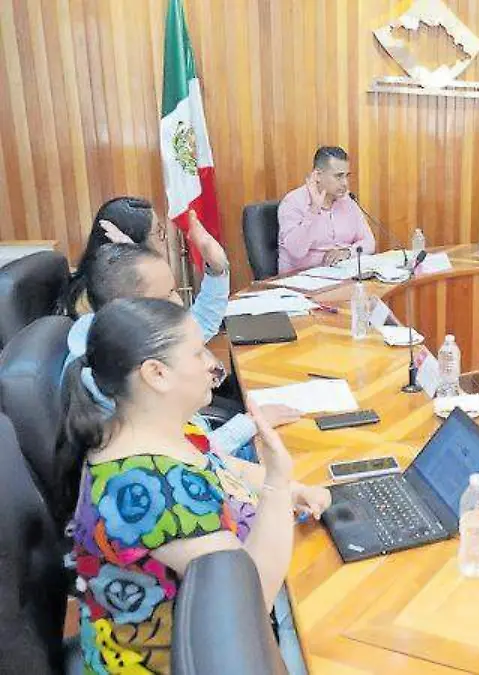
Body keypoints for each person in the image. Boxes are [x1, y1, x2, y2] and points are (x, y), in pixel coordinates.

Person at [61, 298, 330, 673]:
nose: (211, 363)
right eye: (197, 352)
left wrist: (295, 489)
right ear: (156, 374)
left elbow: (223, 466)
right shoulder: (148, 491)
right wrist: (277, 485)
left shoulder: (151, 428)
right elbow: (249, 603)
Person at [64, 243, 300, 458]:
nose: (178, 302)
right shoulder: (117, 378)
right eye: (167, 295)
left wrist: (217, 270)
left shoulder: (117, 337)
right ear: (132, 309)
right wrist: (248, 425)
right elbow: (188, 455)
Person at [59, 196, 171, 317]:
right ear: (136, 240)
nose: (164, 238)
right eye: (158, 232)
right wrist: (136, 259)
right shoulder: (111, 295)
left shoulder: (98, 279)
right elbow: (175, 318)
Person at [277, 145, 377, 274]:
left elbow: (369, 242)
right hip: (301, 278)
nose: (345, 183)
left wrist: (347, 252)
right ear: (318, 175)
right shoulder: (293, 202)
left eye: (347, 176)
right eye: (338, 176)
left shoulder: (347, 200)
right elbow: (296, 252)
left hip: (339, 275)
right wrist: (314, 210)